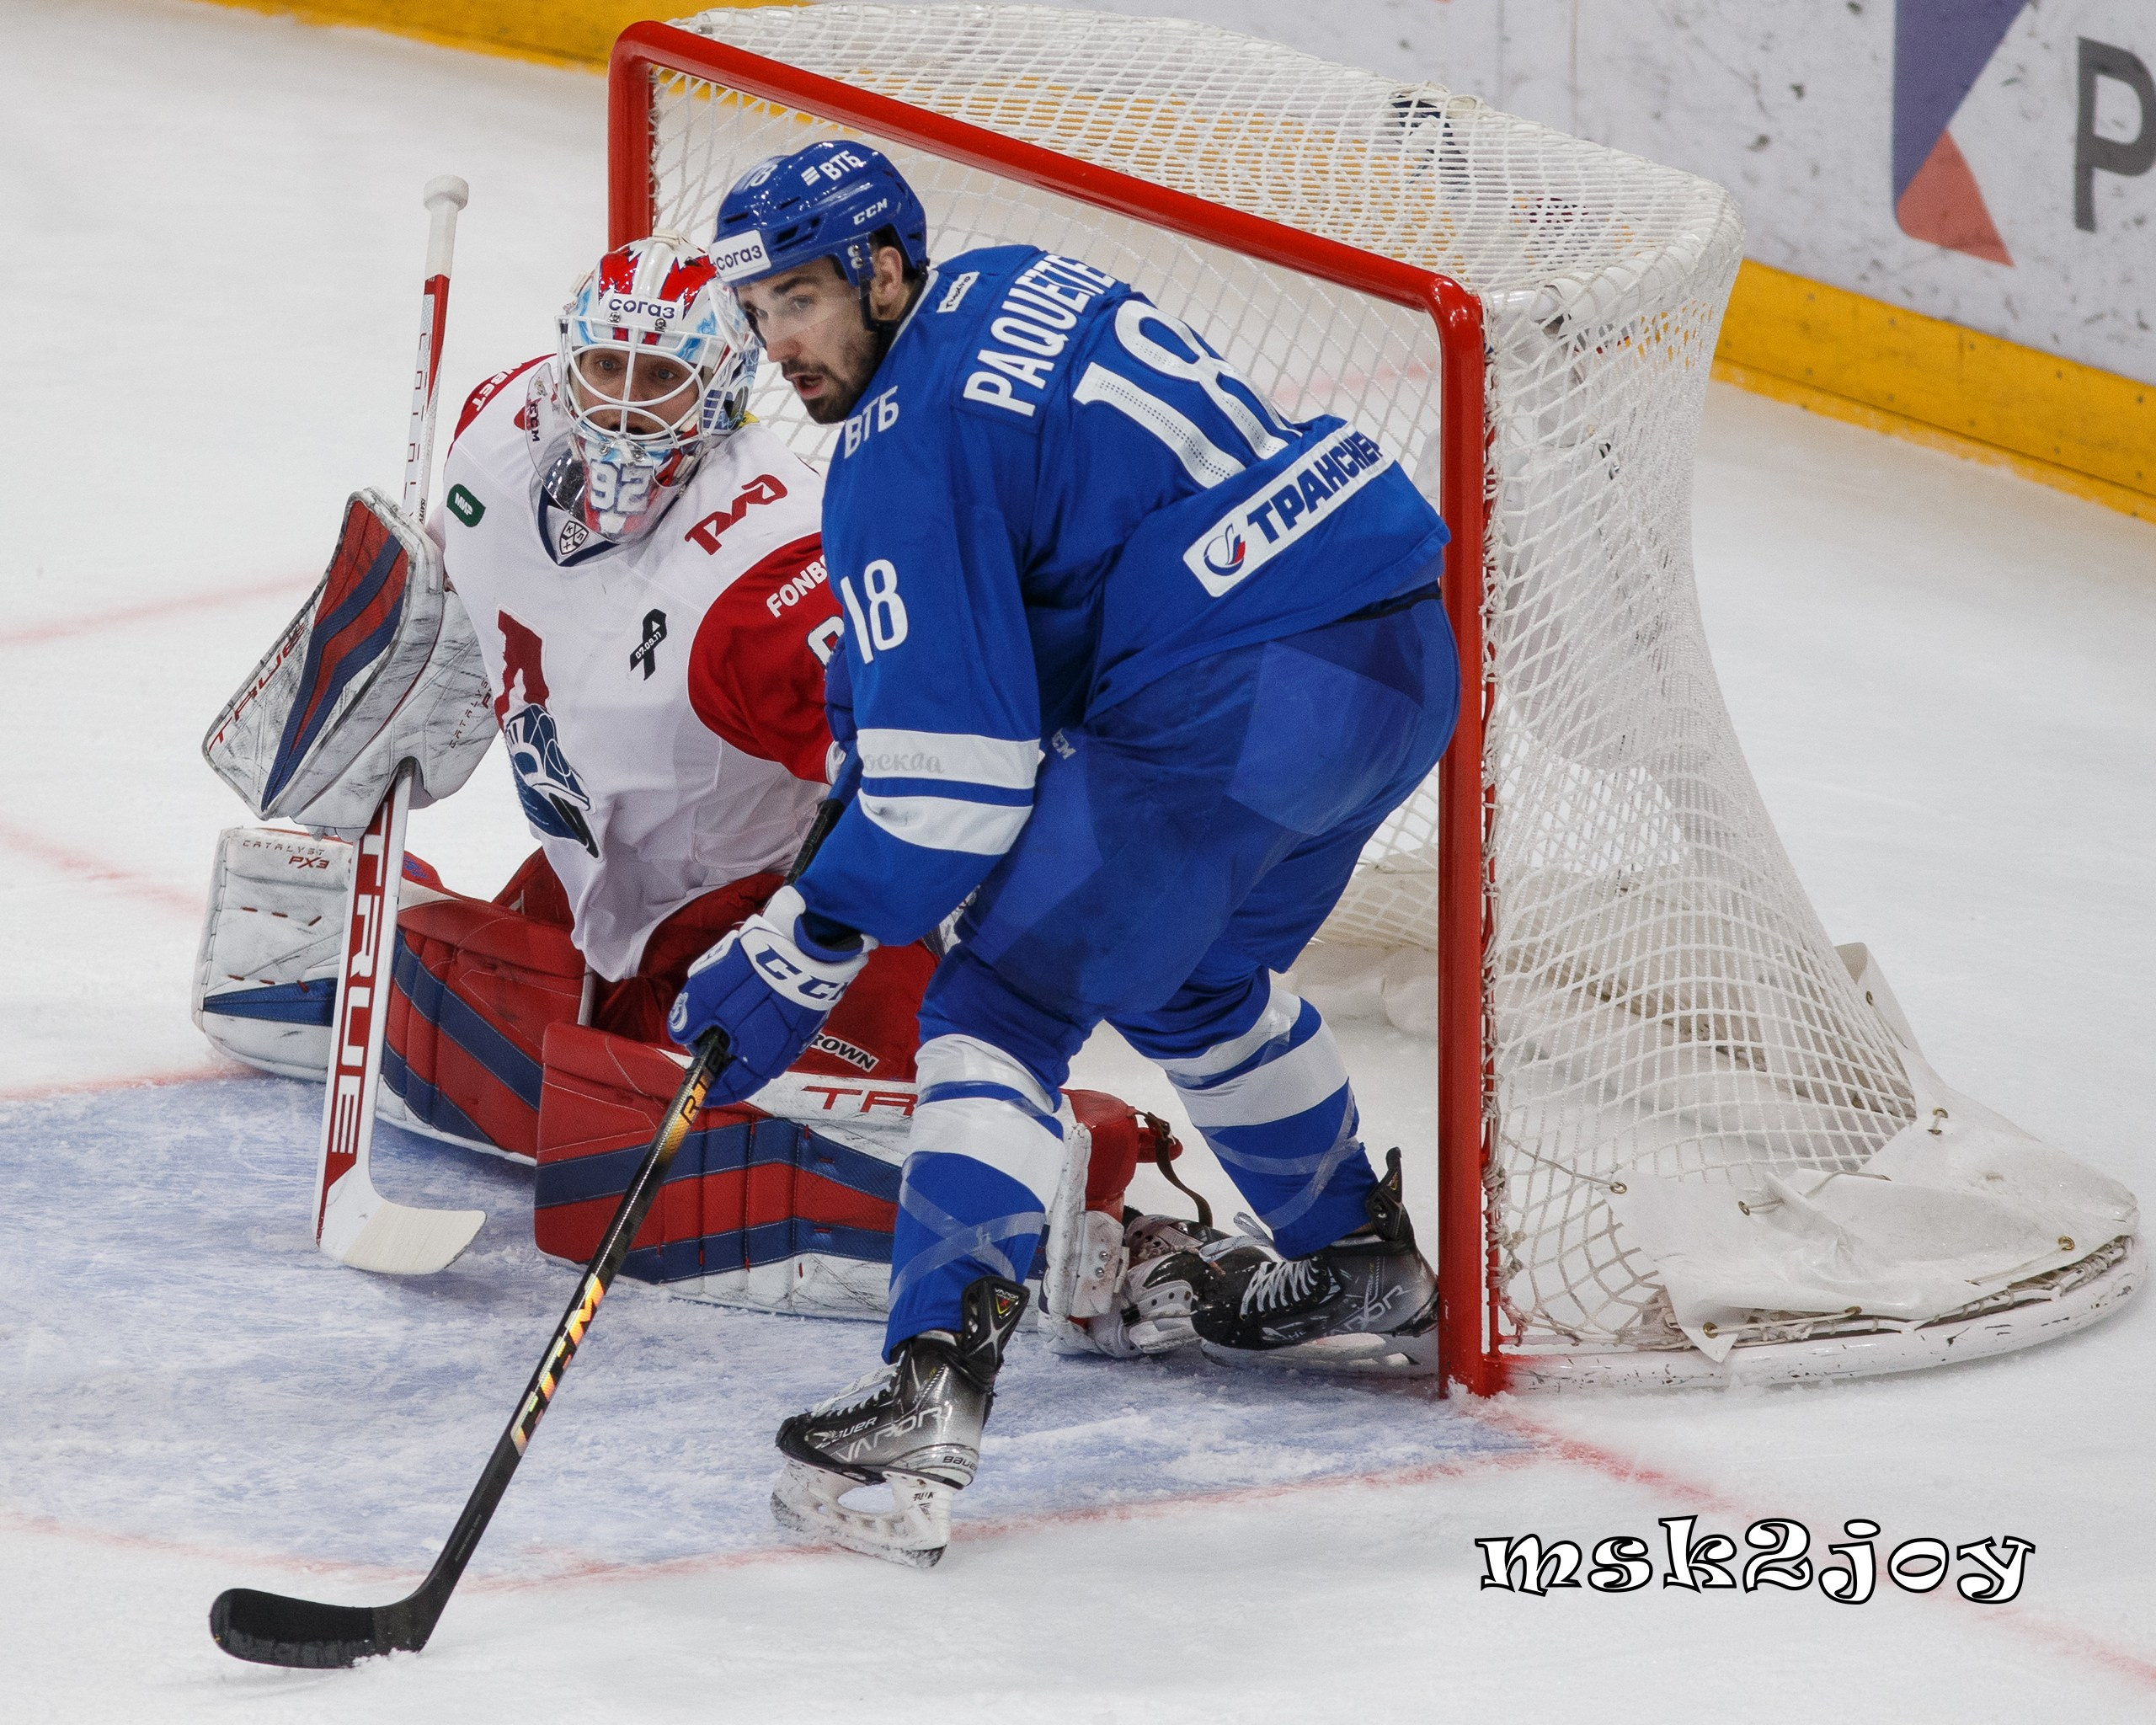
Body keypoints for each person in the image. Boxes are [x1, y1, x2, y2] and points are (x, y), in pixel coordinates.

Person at [672, 142, 1460, 1565]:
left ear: (884, 268)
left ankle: (927, 1390)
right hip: (1398, 644)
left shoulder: (896, 449)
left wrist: (804, 936)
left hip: (1245, 692)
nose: (776, 343)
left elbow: (957, 801)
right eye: (753, 314)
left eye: (798, 298)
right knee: (1190, 974)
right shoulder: (1015, 284)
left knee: (998, 1005)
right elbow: (1059, 574)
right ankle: (1360, 1262)